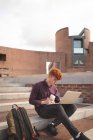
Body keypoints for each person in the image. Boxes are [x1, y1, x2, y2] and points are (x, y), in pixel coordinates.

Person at [29, 68, 90, 140]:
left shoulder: (54, 88)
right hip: (42, 110)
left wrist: (61, 100)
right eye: (55, 79)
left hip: (53, 108)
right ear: (50, 76)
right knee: (58, 107)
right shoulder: (38, 86)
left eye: (56, 80)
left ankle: (52, 124)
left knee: (72, 107)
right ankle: (77, 135)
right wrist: (44, 102)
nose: (55, 82)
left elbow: (57, 99)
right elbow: (31, 100)